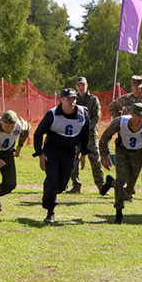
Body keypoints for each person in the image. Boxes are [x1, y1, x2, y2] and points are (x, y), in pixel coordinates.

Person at [32, 88, 91, 224]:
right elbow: (38, 133)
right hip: (52, 150)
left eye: (74, 99)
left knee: (60, 185)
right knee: (53, 179)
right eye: (69, 99)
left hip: (70, 151)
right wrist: (40, 153)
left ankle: (50, 188)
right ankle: (50, 211)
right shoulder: (52, 114)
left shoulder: (83, 113)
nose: (72, 102)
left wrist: (84, 153)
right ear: (62, 100)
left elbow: (85, 134)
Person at [99, 103, 142, 224]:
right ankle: (118, 212)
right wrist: (105, 156)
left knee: (129, 190)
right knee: (121, 181)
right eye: (138, 116)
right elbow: (105, 137)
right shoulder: (119, 122)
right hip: (123, 152)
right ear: (132, 114)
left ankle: (111, 182)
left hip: (139, 154)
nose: (140, 119)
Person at [108, 75, 142, 203]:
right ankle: (127, 193)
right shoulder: (126, 99)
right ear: (132, 87)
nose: (139, 90)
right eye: (137, 88)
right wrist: (119, 119)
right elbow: (112, 107)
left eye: (141, 88)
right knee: (128, 168)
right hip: (127, 137)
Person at [68, 77, 105, 194]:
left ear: (87, 85)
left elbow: (97, 117)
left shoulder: (93, 99)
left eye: (83, 85)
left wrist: (85, 128)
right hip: (76, 135)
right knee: (73, 160)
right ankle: (76, 185)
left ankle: (101, 186)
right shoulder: (73, 100)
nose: (81, 87)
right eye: (79, 85)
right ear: (76, 87)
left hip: (90, 135)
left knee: (95, 161)